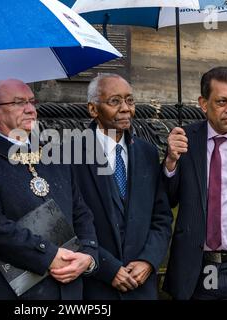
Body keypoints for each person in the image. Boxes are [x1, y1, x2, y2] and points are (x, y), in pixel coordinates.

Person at [0, 78, 98, 300]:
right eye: (19, 103)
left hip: (70, 288)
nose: (30, 110)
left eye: (32, 102)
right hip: (16, 292)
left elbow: (81, 212)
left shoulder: (55, 154)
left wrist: (88, 256)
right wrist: (48, 254)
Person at [163, 66, 227, 300]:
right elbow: (167, 199)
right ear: (204, 103)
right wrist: (170, 162)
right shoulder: (184, 140)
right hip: (196, 269)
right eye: (222, 101)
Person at [72, 73, 173, 299]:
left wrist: (148, 260)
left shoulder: (147, 153)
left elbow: (162, 217)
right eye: (115, 101)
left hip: (141, 287)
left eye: (130, 100)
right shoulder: (70, 154)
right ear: (93, 109)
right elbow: (68, 224)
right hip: (94, 288)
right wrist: (107, 268)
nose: (126, 108)